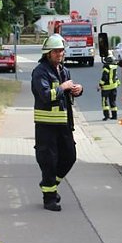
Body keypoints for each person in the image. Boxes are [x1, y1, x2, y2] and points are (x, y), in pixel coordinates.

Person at [31, 34, 83, 211]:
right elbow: (45, 96)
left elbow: (67, 93)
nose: (60, 53)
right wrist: (63, 87)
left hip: (64, 125)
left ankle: (50, 183)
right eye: (56, 51)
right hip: (46, 126)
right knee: (48, 161)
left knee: (70, 157)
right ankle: (49, 199)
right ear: (48, 53)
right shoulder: (40, 71)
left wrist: (77, 90)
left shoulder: (64, 70)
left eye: (61, 50)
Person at [98, 55, 120, 121]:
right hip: (114, 86)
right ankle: (114, 116)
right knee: (113, 101)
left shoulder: (106, 67)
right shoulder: (114, 66)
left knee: (104, 102)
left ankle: (106, 116)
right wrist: (118, 83)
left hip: (106, 87)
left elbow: (104, 77)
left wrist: (100, 85)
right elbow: (115, 76)